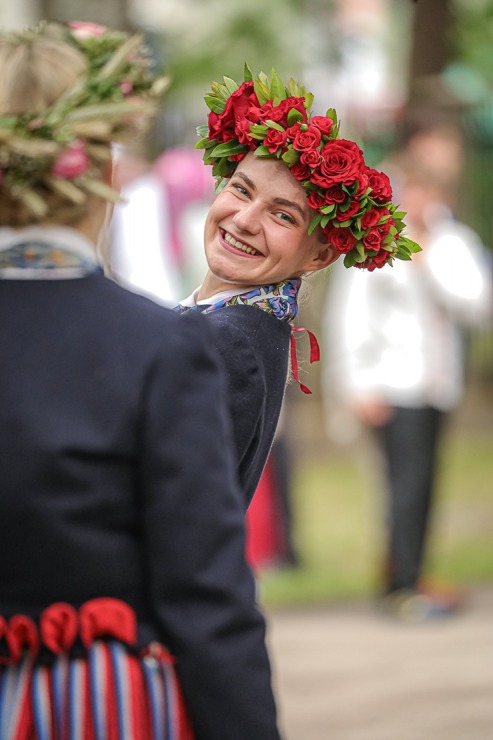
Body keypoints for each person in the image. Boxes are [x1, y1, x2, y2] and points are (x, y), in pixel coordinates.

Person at [0, 22, 282, 739]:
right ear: (105, 170)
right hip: (87, 705)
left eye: (280, 213)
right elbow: (204, 596)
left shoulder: (206, 339)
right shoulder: (160, 347)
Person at [175, 66, 419, 508]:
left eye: (283, 215)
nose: (245, 220)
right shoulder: (231, 324)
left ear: (319, 256)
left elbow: (184, 509)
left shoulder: (231, 341)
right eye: (242, 190)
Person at [322, 145, 492, 621]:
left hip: (438, 385)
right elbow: (350, 318)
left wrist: (431, 262)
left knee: (426, 485)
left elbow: (477, 303)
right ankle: (401, 585)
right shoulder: (378, 242)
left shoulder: (454, 241)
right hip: (392, 385)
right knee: (401, 485)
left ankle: (413, 575)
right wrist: (356, 384)